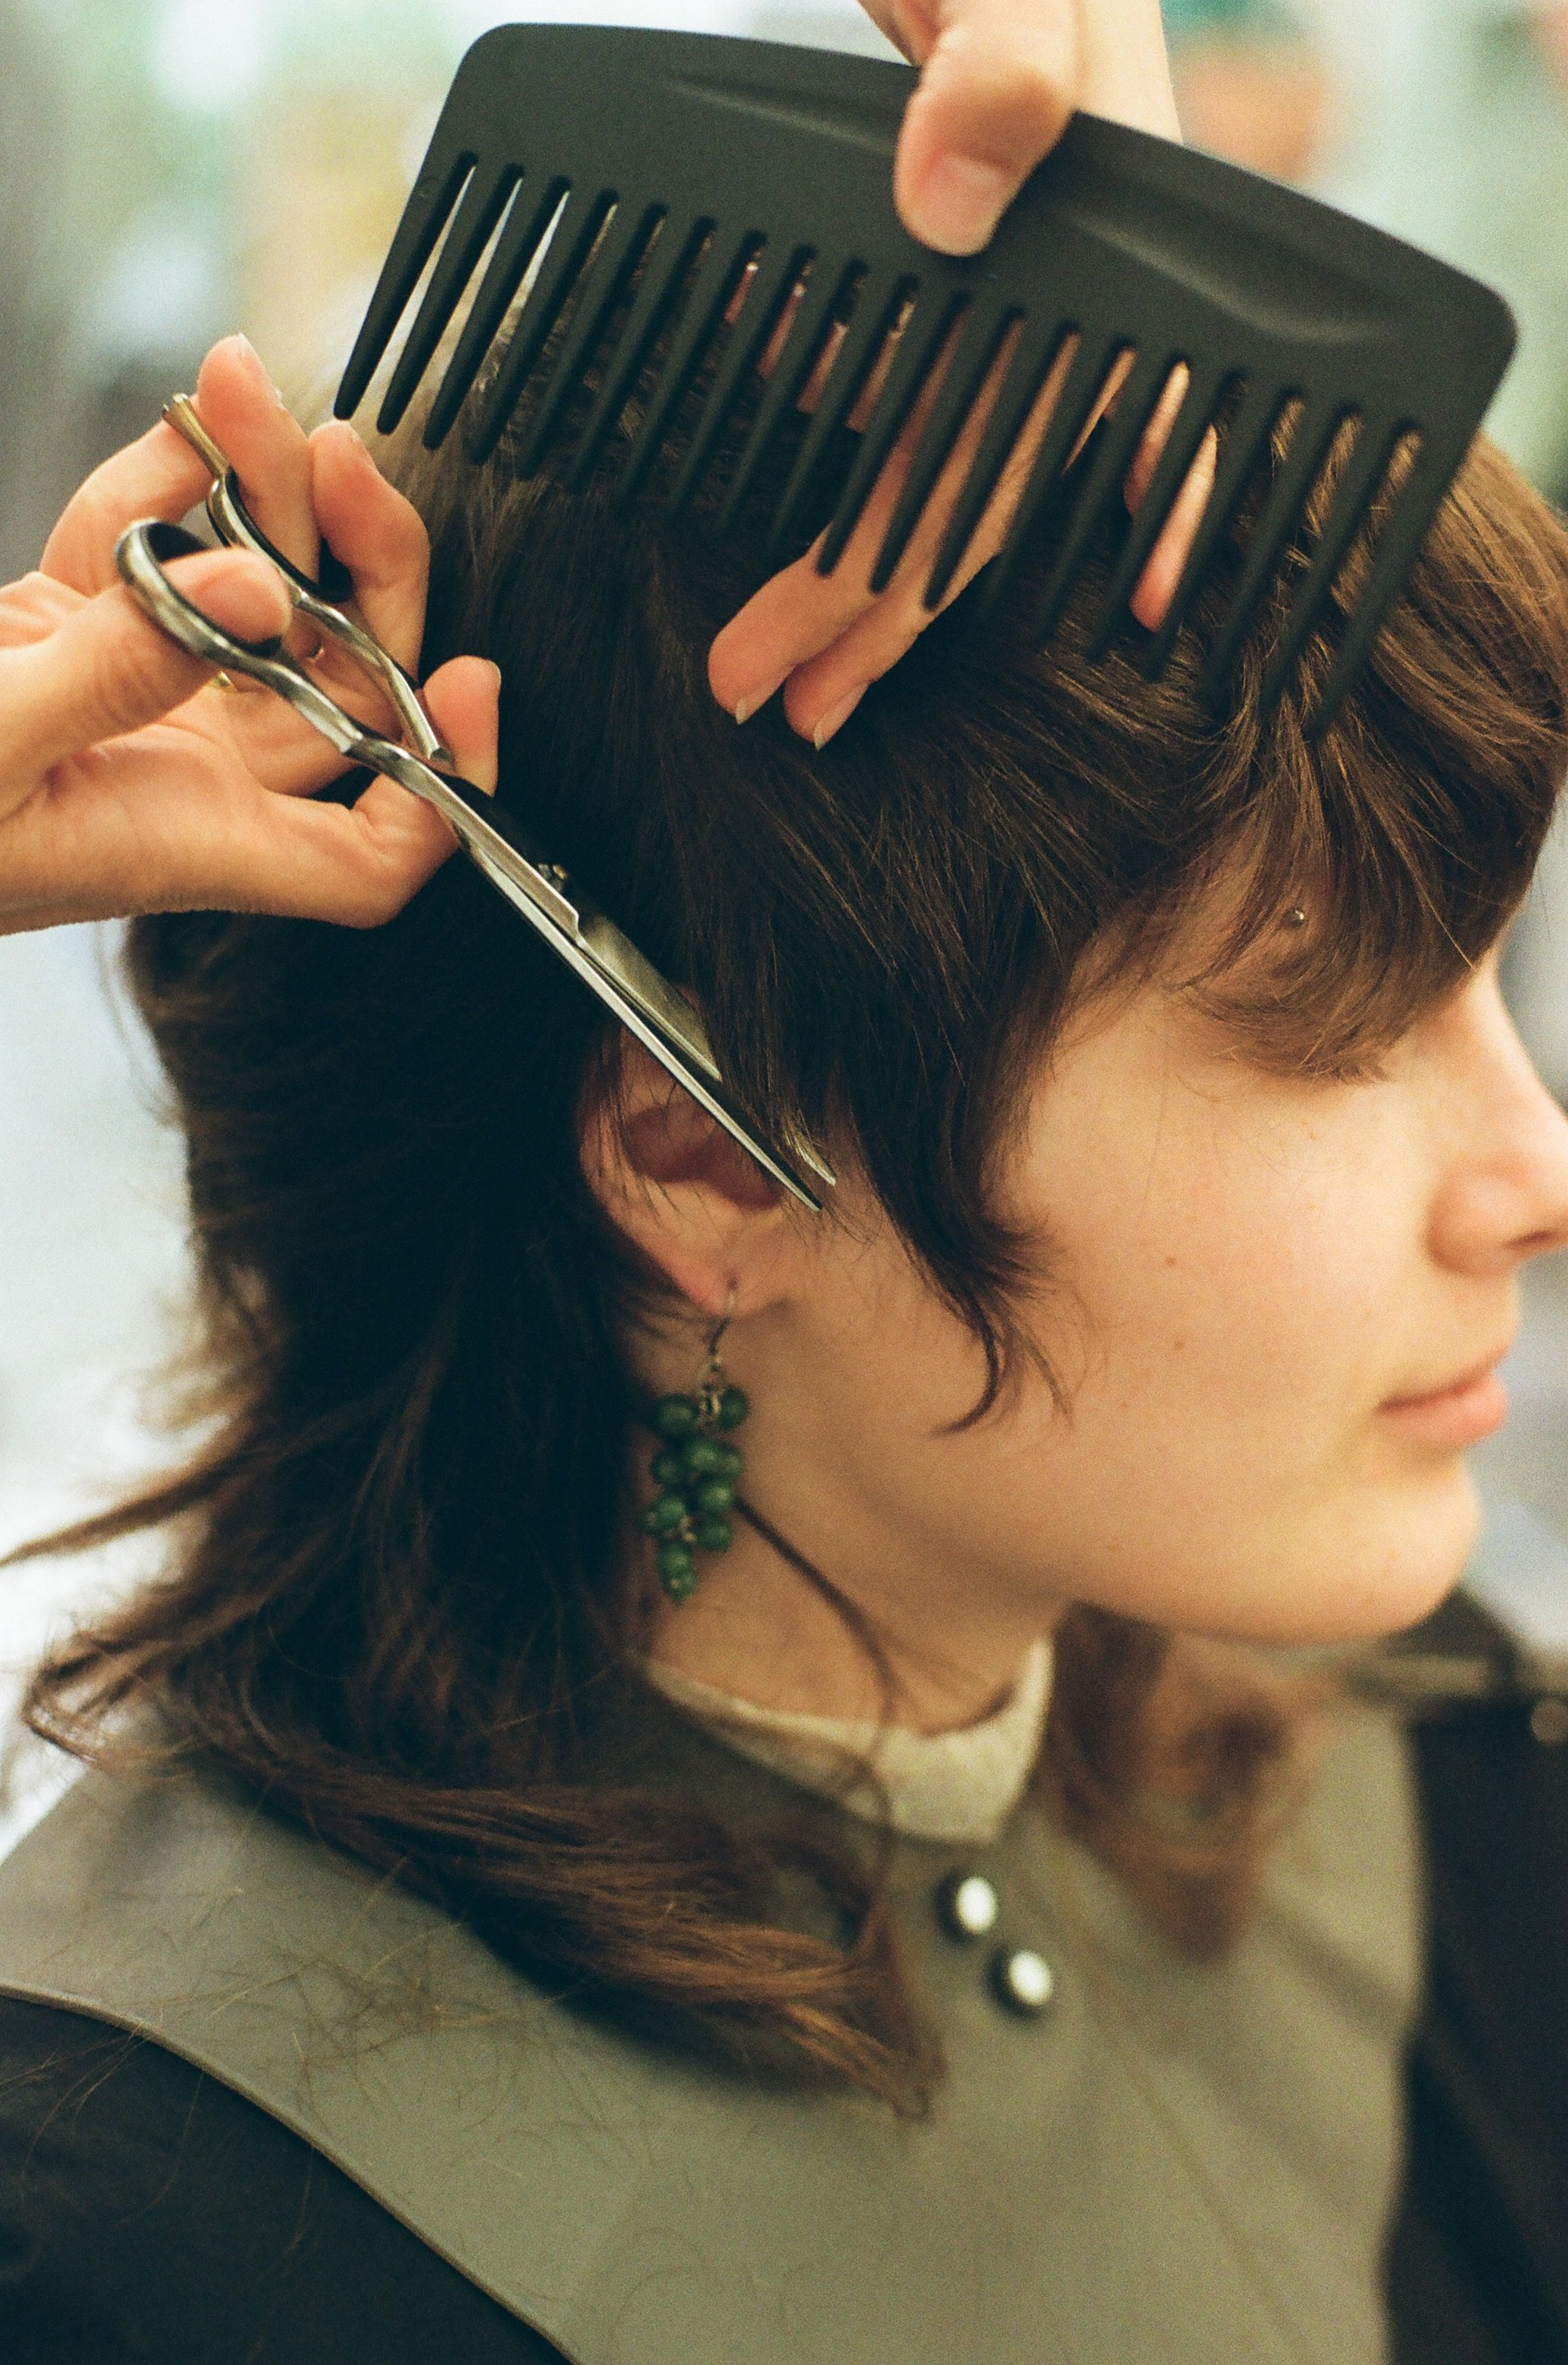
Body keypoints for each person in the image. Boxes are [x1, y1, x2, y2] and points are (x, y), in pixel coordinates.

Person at [2, 9, 1567, 2365]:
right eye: (1332, 1026)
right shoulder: (158, 2236)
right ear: (686, 1147)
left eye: (1492, 976)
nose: (1535, 1174)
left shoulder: (1444, 1762)